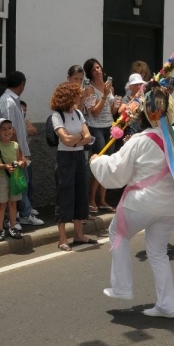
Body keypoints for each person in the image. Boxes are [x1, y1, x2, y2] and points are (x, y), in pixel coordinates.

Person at [92, 84, 174, 319]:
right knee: (158, 253)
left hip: (140, 204)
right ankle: (167, 305)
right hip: (170, 207)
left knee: (117, 234)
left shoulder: (140, 140)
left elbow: (116, 170)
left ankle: (122, 287)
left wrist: (95, 162)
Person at [0, 71, 44, 230]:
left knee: (20, 184)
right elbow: (10, 129)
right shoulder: (8, 102)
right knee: (16, 184)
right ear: (22, 85)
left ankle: (21, 215)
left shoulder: (11, 101)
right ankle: (17, 217)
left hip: (15, 149)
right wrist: (18, 152)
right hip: (10, 152)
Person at [50, 82, 97, 251]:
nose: (81, 96)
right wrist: (79, 138)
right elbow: (65, 140)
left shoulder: (78, 113)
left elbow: (88, 136)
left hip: (78, 156)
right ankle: (62, 238)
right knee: (64, 195)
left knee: (80, 194)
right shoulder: (57, 116)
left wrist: (74, 138)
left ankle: (78, 234)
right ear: (69, 96)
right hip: (64, 158)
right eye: (78, 94)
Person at [83, 58, 119, 214]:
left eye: (98, 67)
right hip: (96, 128)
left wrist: (116, 106)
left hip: (109, 127)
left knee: (109, 164)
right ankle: (91, 199)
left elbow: (110, 112)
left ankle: (103, 200)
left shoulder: (109, 87)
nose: (97, 70)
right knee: (99, 163)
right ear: (90, 74)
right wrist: (104, 96)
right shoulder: (89, 89)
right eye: (93, 69)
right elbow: (95, 112)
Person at [0, 119, 25, 242]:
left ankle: (12, 227)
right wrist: (4, 166)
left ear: (13, 130)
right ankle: (0, 229)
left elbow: (22, 160)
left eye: (9, 128)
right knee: (2, 203)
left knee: (13, 203)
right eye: (3, 129)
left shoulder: (15, 145)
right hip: (1, 177)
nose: (7, 131)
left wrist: (18, 163)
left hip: (14, 177)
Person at [119, 73, 147, 141]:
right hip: (130, 130)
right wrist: (134, 99)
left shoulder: (145, 96)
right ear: (131, 86)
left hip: (143, 129)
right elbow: (120, 111)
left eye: (140, 84)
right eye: (136, 85)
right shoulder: (127, 97)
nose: (139, 86)